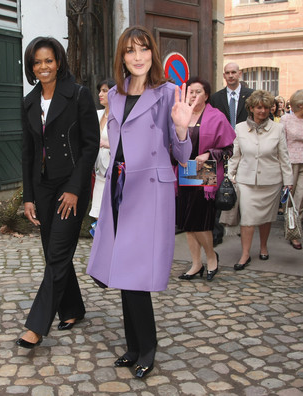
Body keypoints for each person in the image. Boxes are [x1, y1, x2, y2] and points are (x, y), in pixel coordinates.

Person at [87, 25, 199, 379]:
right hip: (119, 187)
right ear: (122, 57)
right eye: (130, 51)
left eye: (143, 50)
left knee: (135, 274)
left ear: (153, 53)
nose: (137, 57)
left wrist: (182, 129)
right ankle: (133, 346)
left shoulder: (168, 93)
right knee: (123, 270)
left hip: (150, 191)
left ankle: (146, 348)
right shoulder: (116, 96)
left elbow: (183, 157)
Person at [17, 37, 99, 348]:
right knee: (55, 252)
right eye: (37, 62)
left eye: (48, 60)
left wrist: (76, 189)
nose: (43, 67)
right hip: (43, 188)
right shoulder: (28, 102)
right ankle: (73, 308)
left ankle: (36, 326)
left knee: (58, 252)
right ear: (31, 67)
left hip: (71, 186)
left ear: (59, 61)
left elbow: (90, 146)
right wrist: (28, 196)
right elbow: (27, 153)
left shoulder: (78, 95)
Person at [176, 77, 235, 281]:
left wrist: (208, 153)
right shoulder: (179, 114)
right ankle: (195, 264)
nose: (193, 95)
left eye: (198, 91)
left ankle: (211, 257)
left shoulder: (216, 117)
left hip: (204, 170)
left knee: (201, 221)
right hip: (183, 170)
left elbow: (229, 149)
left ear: (207, 95)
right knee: (187, 221)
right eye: (190, 91)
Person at [228, 90, 293, 271]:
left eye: (266, 107)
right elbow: (235, 155)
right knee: (247, 218)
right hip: (246, 180)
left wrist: (288, 181)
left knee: (266, 218)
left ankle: (263, 247)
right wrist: (230, 176)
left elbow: (284, 156)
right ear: (251, 108)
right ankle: (245, 254)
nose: (262, 111)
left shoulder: (278, 128)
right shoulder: (240, 128)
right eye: (259, 107)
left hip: (271, 181)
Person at [209, 62, 254, 246]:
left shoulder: (251, 95)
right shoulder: (216, 98)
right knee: (218, 188)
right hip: (222, 149)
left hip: (246, 149)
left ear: (240, 73)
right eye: (227, 73)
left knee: (243, 190)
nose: (230, 76)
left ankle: (244, 227)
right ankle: (216, 232)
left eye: (234, 72)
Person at [280, 89, 303, 250]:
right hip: (290, 163)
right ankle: (290, 227)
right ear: (300, 104)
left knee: (301, 198)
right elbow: (281, 143)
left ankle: (295, 232)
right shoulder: (286, 119)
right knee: (290, 198)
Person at [89, 78, 115, 219]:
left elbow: (127, 144)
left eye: (105, 91)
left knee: (111, 216)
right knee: (98, 216)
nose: (100, 94)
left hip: (114, 172)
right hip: (98, 171)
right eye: (100, 90)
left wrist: (107, 144)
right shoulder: (96, 114)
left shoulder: (120, 116)